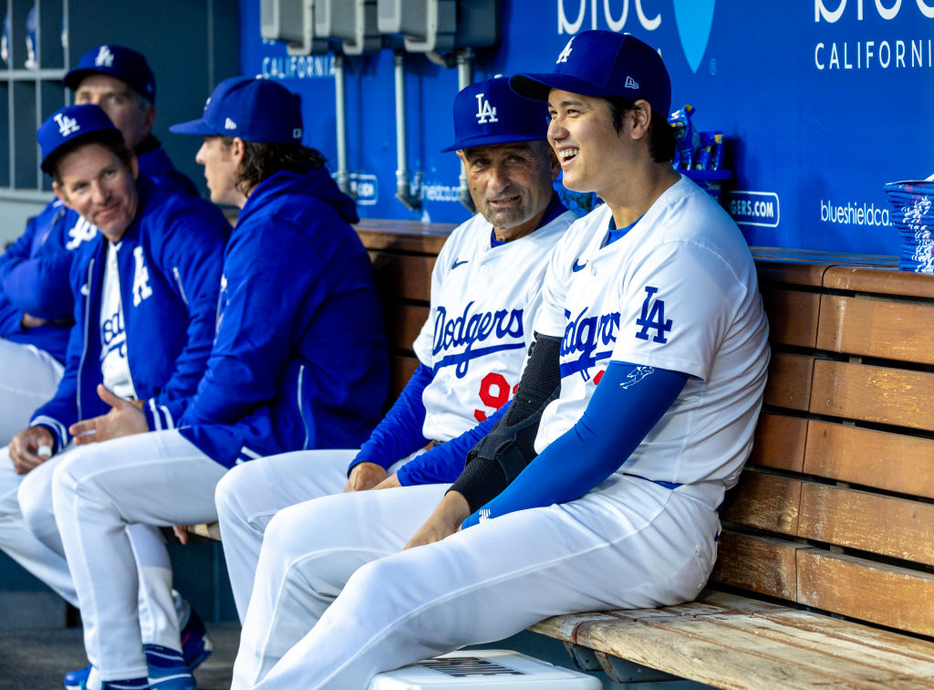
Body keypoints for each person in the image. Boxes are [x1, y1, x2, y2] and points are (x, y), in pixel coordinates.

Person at [230, 30, 771, 690]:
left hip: (645, 517)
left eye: (574, 111)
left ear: (636, 120)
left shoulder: (687, 245)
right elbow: (532, 404)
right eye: (552, 114)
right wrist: (455, 506)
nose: (556, 132)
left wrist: (475, 523)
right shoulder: (586, 238)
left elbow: (601, 443)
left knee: (386, 591)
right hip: (565, 499)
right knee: (297, 547)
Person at [49, 76, 389, 690]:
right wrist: (176, 454)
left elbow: (240, 368)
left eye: (209, 142)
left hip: (299, 441)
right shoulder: (283, 213)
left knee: (79, 483)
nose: (199, 155)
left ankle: (124, 674)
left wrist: (182, 439)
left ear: (238, 150)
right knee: (92, 479)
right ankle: (134, 665)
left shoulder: (282, 224)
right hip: (279, 429)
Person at [212, 75, 575, 623]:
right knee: (241, 495)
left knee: (294, 536)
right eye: (479, 162)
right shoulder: (462, 243)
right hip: (421, 460)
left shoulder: (573, 250)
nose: (496, 181)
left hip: (485, 475)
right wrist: (373, 457)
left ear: (550, 158)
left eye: (515, 158)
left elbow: (529, 411)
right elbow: (429, 375)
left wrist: (406, 476)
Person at [0, 103, 229, 690]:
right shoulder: (93, 257)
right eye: (80, 186)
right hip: (121, 426)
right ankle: (159, 639)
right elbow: (79, 368)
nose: (99, 195)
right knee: (15, 487)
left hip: (184, 426)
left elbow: (217, 336)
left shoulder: (181, 225)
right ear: (61, 195)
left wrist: (157, 418)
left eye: (107, 174)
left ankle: (130, 664)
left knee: (81, 485)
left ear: (131, 162)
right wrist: (47, 428)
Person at [0, 45, 196, 446]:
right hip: (51, 368)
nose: (97, 109)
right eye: (87, 97)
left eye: (115, 98)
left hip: (80, 377)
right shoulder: (69, 193)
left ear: (148, 117)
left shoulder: (142, 199)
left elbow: (46, 290)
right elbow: (12, 266)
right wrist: (20, 316)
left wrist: (25, 302)